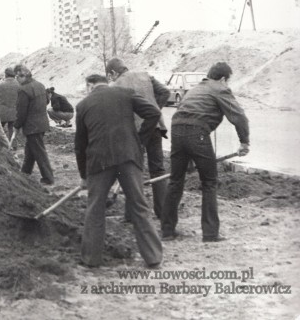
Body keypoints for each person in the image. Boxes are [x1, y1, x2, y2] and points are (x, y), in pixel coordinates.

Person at [75, 74, 163, 268]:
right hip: (128, 157)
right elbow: (154, 113)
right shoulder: (126, 94)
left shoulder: (83, 105)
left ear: (89, 85)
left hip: (99, 162)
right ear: (106, 82)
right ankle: (153, 257)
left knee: (95, 208)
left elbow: (80, 145)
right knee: (139, 205)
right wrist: (139, 140)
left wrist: (84, 176)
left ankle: (91, 259)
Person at [161, 62, 250, 243]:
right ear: (223, 79)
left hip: (177, 131)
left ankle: (167, 231)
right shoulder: (219, 88)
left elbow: (185, 117)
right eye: (228, 81)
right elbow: (239, 116)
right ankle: (210, 234)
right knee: (209, 182)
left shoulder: (195, 89)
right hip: (197, 133)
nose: (227, 85)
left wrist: (190, 159)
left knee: (175, 180)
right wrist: (244, 142)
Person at [106, 57, 170, 219]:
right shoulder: (145, 75)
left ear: (113, 73)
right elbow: (165, 92)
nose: (110, 79)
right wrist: (154, 109)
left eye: (109, 75)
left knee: (132, 171)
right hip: (154, 127)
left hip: (134, 132)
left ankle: (133, 214)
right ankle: (163, 212)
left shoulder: (116, 86)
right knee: (158, 169)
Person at [13, 64, 54, 185]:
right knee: (30, 149)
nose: (17, 80)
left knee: (39, 151)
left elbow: (21, 111)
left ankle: (48, 177)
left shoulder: (23, 89)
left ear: (20, 76)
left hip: (32, 126)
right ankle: (25, 172)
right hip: (42, 124)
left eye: (17, 77)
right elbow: (46, 101)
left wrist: (16, 125)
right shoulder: (40, 85)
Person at [0, 67, 19, 143]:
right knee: (12, 129)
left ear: (6, 74)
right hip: (15, 111)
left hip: (2, 111)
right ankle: (13, 146)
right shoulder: (19, 84)